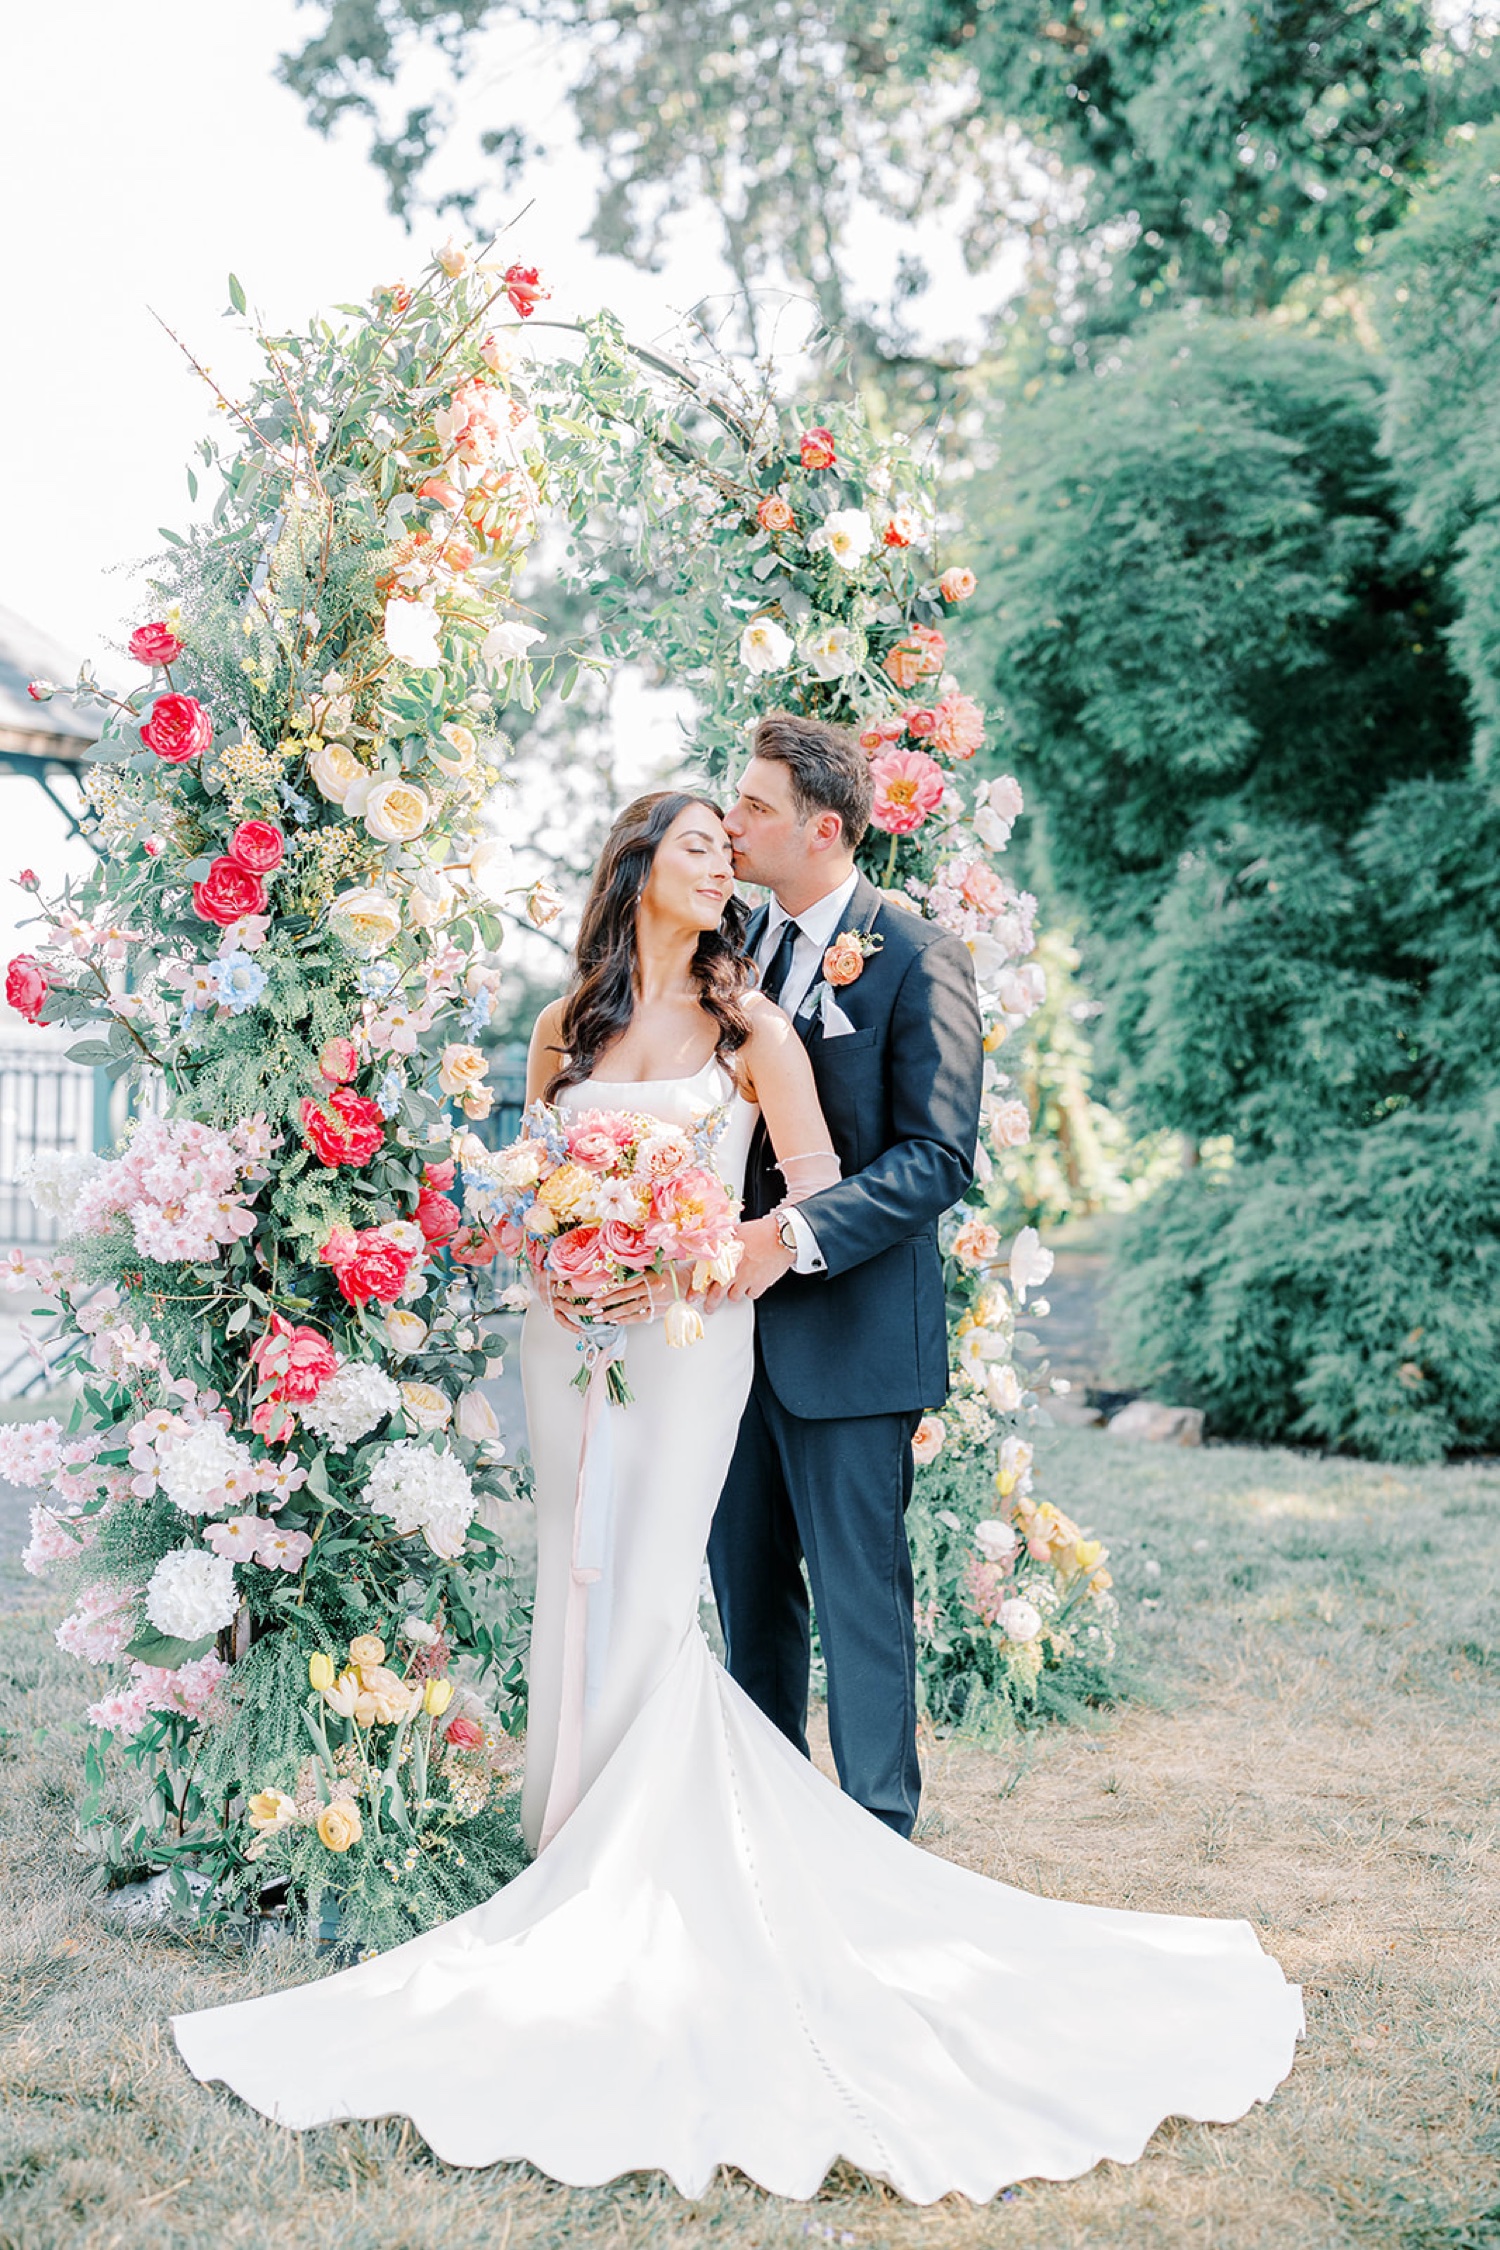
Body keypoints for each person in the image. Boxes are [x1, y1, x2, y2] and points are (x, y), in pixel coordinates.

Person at [172, 788, 1302, 2202]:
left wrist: (675, 1254)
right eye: (702, 841)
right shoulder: (562, 1026)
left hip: (692, 1337)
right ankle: (565, 1849)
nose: (727, 860)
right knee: (570, 1571)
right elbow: (526, 1192)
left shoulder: (750, 1019)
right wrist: (558, 1257)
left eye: (736, 835)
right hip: (564, 1336)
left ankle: (647, 1888)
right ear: (639, 866)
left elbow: (805, 1193)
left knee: (654, 1579)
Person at [708, 710, 982, 1837]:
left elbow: (936, 1160)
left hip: (854, 1335)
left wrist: (789, 1237)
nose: (732, 825)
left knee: (861, 1601)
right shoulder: (727, 948)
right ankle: (767, 1829)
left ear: (824, 829)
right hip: (725, 1342)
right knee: (747, 1597)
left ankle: (878, 1838)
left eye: (755, 808)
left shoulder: (917, 954)